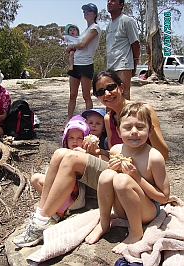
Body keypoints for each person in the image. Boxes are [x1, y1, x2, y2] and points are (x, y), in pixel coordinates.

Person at [13, 69, 168, 248]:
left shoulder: (143, 111)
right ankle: (42, 215)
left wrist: (151, 130)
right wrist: (94, 152)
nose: (107, 94)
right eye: (100, 91)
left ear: (121, 86)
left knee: (71, 158)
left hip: (138, 178)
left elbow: (163, 155)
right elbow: (114, 154)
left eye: (111, 87)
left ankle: (43, 220)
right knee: (60, 153)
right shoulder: (109, 118)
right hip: (119, 172)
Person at [85, 102, 170, 254]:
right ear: (118, 130)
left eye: (140, 127)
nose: (134, 132)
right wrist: (102, 156)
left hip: (148, 211)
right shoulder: (116, 150)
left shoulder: (154, 157)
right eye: (128, 127)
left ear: (150, 130)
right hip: (121, 209)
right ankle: (104, 223)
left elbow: (164, 198)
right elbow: (109, 168)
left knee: (122, 180)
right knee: (107, 175)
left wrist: (137, 178)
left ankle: (136, 232)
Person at [31, 115, 90, 217]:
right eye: (71, 138)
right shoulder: (61, 154)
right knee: (35, 178)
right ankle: (51, 208)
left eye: (79, 138)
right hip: (58, 188)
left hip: (74, 195)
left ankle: (55, 211)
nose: (75, 141)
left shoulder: (84, 156)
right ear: (65, 140)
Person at [66, 3, 101, 121]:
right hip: (76, 64)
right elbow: (79, 44)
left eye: (88, 11)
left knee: (86, 95)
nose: (85, 12)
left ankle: (89, 121)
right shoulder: (85, 30)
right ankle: (69, 120)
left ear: (95, 14)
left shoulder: (95, 28)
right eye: (84, 11)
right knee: (72, 95)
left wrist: (71, 46)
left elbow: (83, 44)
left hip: (86, 64)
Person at [106, 0, 140, 100]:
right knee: (110, 95)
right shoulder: (109, 25)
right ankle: (111, 116)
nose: (109, 2)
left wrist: (134, 64)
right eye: (108, 0)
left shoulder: (127, 21)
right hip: (111, 65)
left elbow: (136, 44)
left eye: (113, 1)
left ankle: (125, 116)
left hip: (123, 64)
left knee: (123, 93)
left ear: (121, 5)